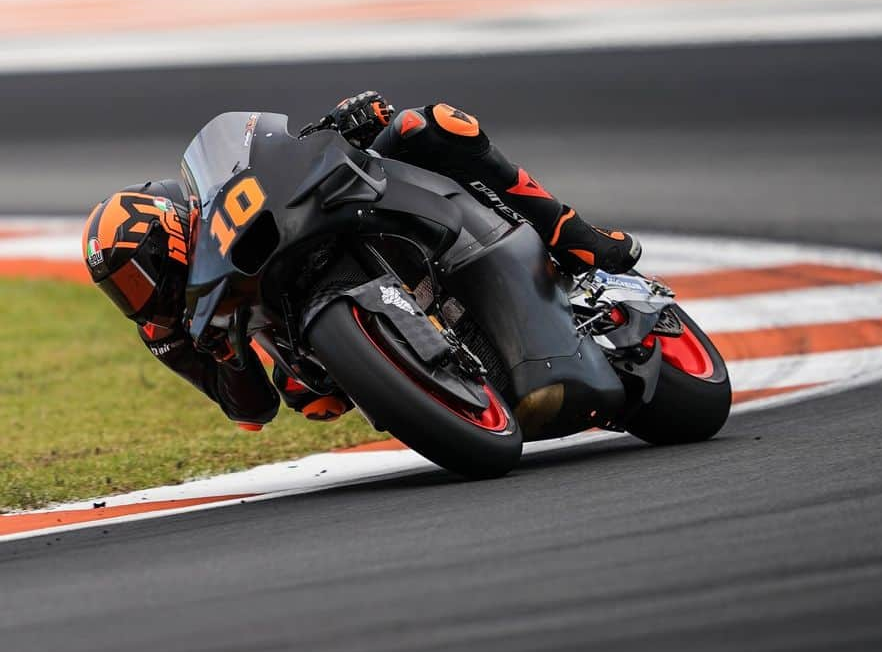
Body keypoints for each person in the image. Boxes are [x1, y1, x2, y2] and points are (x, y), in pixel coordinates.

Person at [81, 92, 642, 430]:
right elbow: (250, 412)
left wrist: (342, 123)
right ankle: (418, 378)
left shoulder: (211, 203)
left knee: (432, 125)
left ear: (169, 236)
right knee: (311, 398)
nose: (137, 296)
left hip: (337, 224)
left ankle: (571, 234)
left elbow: (279, 157)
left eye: (137, 275)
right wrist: (228, 357)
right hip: (304, 339)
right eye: (119, 292)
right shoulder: (166, 327)